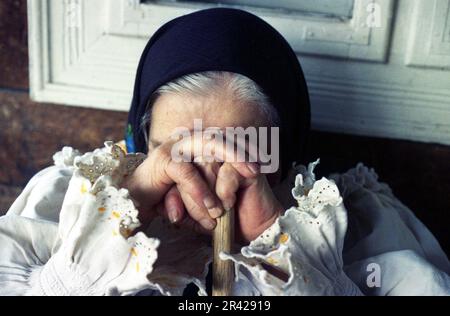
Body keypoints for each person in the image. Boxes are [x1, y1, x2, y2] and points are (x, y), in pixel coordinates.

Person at [0, 8, 449, 296]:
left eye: (241, 154)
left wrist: (284, 251)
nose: (204, 190)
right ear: (140, 143)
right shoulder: (68, 207)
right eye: (176, 155)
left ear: (285, 157)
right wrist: (101, 247)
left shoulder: (361, 233)